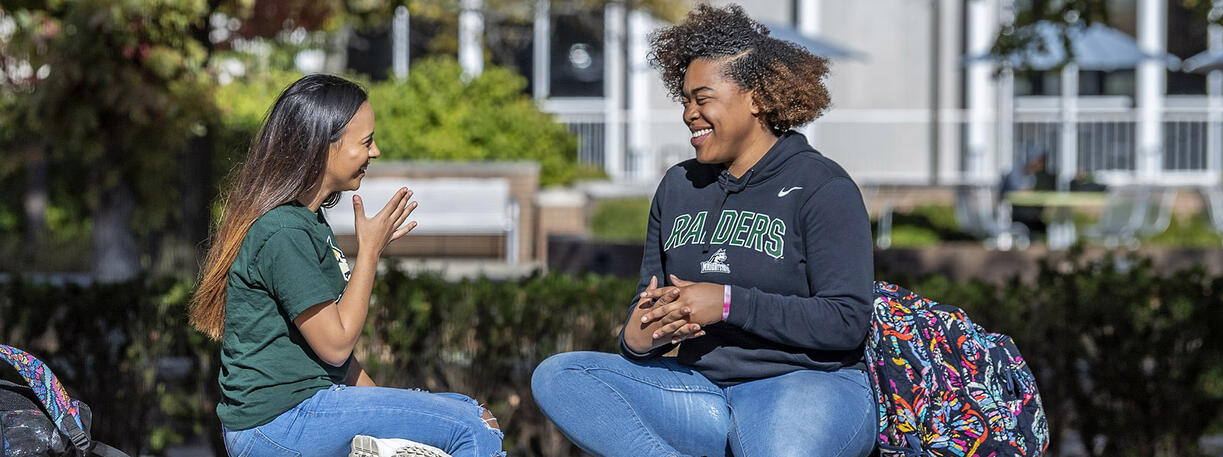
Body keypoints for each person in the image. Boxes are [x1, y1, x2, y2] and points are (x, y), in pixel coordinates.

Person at [530, 5, 876, 457]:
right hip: (699, 393)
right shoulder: (678, 186)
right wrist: (642, 332)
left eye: (703, 98)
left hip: (806, 385)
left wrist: (728, 303)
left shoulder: (821, 185)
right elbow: (646, 304)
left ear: (755, 97)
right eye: (685, 100)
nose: (689, 113)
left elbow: (847, 320)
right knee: (560, 377)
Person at [188, 74, 503, 457]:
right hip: (277, 425)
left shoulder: (308, 221)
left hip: (306, 410)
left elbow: (337, 364)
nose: (376, 152)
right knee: (471, 428)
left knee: (471, 411)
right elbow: (336, 345)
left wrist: (392, 408)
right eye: (366, 142)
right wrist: (369, 251)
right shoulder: (282, 231)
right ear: (322, 147)